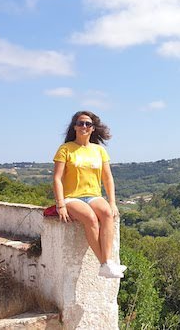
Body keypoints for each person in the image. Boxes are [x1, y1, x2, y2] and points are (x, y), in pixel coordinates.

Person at [52, 111, 126, 278]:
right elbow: (57, 178)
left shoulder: (99, 151)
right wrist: (60, 204)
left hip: (93, 195)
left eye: (88, 124)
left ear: (93, 128)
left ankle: (107, 263)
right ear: (75, 126)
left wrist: (112, 202)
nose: (84, 126)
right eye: (80, 123)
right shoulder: (65, 149)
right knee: (91, 218)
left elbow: (108, 179)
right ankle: (105, 263)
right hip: (72, 197)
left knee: (107, 213)